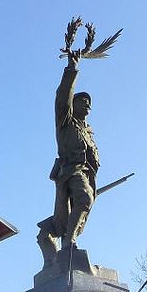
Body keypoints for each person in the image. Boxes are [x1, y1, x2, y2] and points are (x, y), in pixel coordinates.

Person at [37, 50, 99, 263]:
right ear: (73, 105)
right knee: (85, 200)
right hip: (69, 171)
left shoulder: (87, 130)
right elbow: (63, 95)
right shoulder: (65, 121)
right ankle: (69, 243)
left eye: (89, 102)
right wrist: (72, 69)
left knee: (78, 211)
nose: (87, 104)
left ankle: (65, 239)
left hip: (86, 174)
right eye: (82, 101)